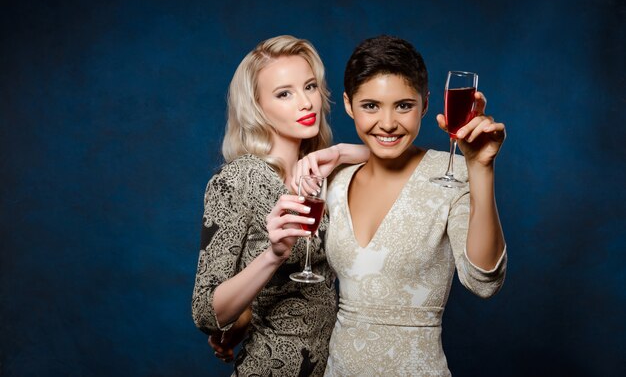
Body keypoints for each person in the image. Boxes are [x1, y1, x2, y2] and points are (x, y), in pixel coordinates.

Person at [296, 35, 507, 376]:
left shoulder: (447, 176)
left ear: (425, 104)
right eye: (371, 106)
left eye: (403, 105)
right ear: (349, 105)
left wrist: (481, 168)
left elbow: (484, 282)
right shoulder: (333, 183)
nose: (389, 123)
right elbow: (304, 280)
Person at [191, 35, 365, 376]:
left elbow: (395, 159)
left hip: (335, 366)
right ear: (257, 108)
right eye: (284, 93)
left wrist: (342, 152)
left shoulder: (324, 173)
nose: (306, 103)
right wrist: (272, 256)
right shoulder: (237, 180)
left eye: (310, 87)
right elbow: (206, 312)